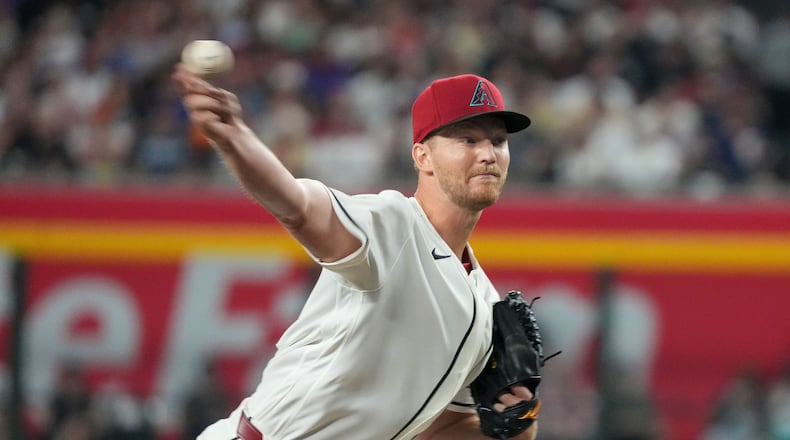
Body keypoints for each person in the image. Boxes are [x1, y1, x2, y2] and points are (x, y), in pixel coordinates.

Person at [173, 64, 537, 439]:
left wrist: (515, 426)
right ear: (422, 157)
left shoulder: (485, 302)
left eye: (498, 141)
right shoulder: (392, 225)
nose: (488, 154)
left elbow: (439, 428)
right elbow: (298, 206)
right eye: (468, 140)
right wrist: (234, 138)